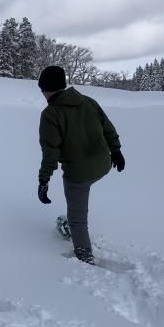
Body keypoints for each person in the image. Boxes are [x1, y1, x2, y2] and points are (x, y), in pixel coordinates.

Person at [36, 65, 124, 264]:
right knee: (78, 200)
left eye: (43, 89)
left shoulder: (50, 114)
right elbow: (108, 128)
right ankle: (70, 222)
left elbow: (51, 152)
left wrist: (43, 180)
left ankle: (84, 255)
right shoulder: (88, 101)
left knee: (78, 220)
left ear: (48, 89)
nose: (42, 93)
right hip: (103, 164)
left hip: (79, 174)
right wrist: (116, 151)